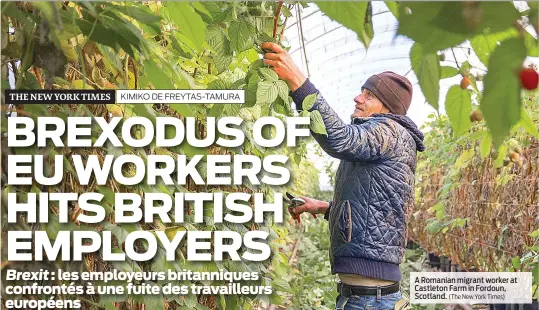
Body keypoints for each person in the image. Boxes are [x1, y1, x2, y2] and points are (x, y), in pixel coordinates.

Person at [261, 42, 425, 310]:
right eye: (361, 92)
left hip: (370, 299)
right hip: (367, 296)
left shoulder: (389, 130)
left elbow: (340, 139)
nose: (358, 98)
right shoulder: (388, 137)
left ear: (387, 108)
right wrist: (325, 207)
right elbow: (376, 205)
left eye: (369, 95)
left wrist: (298, 82)